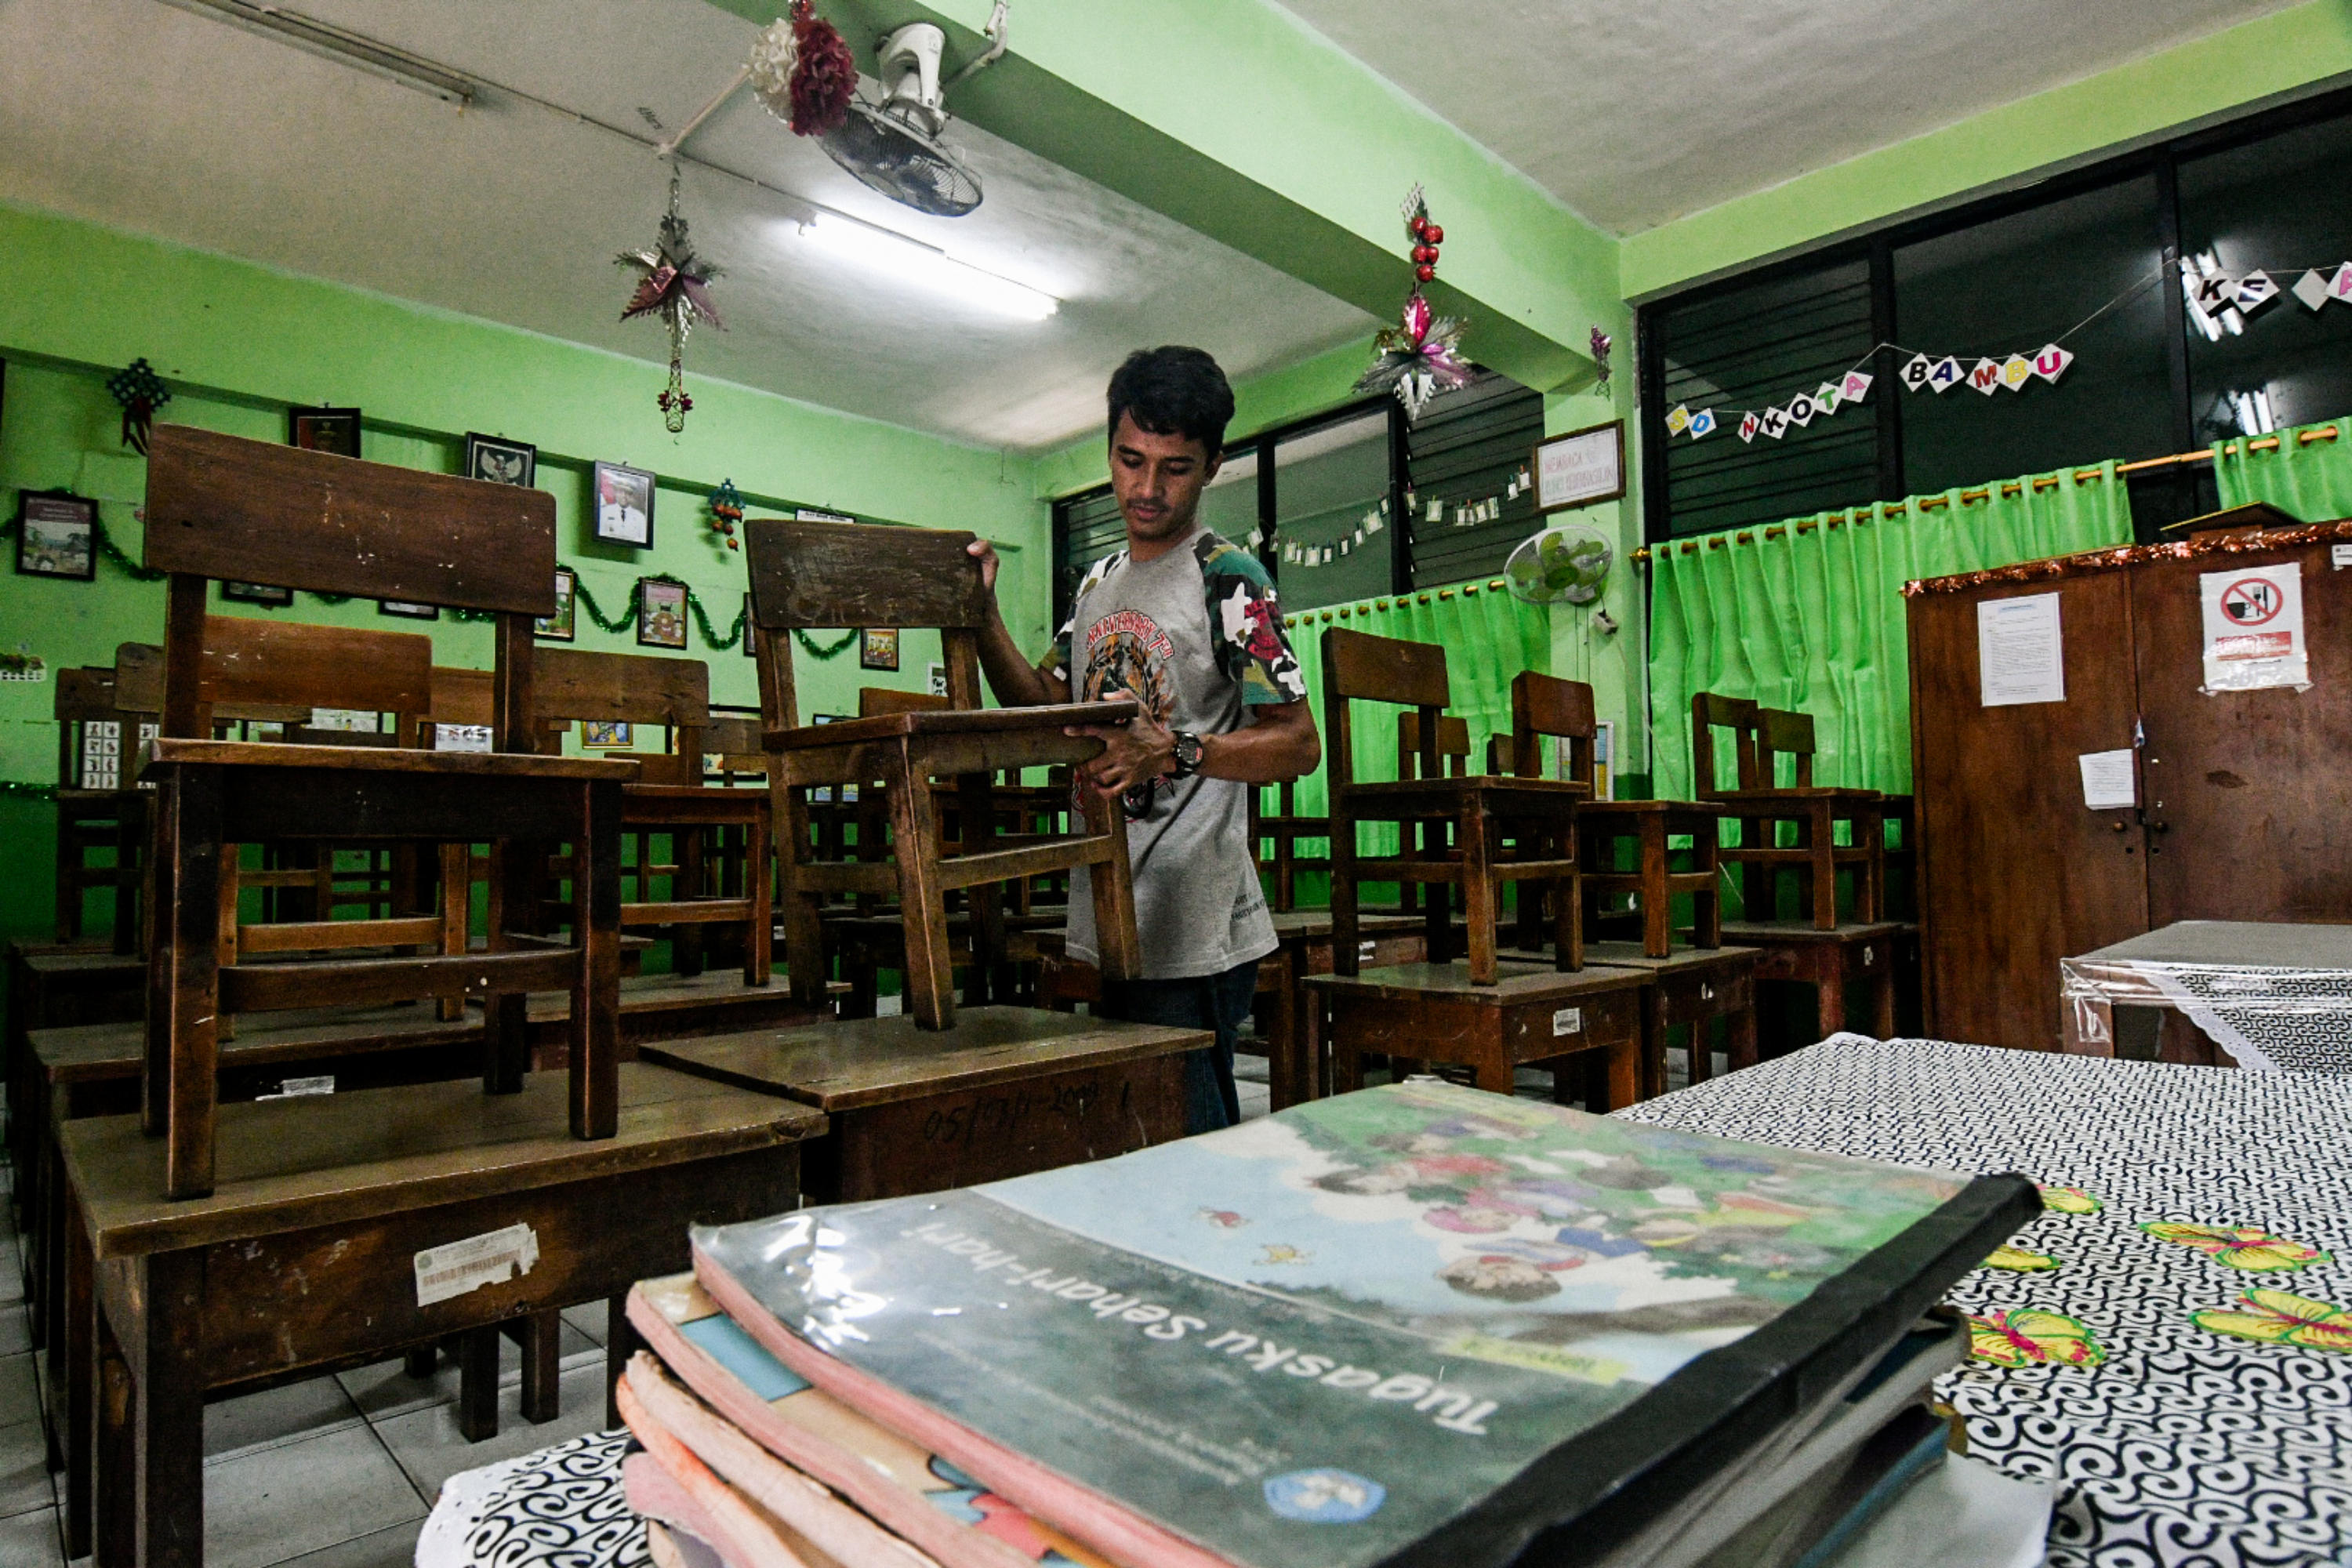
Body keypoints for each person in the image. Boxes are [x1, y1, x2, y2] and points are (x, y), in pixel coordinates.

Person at [967, 346, 1319, 1133]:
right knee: (1137, 1132)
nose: (1148, 488)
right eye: (1131, 461)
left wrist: (1179, 749)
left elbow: (1298, 743)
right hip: (1113, 904)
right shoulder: (1097, 584)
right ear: (1110, 452)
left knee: (1189, 1141)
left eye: (1175, 468)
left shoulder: (1229, 578)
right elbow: (1045, 706)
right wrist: (983, 616)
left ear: (1213, 466)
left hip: (1195, 914)